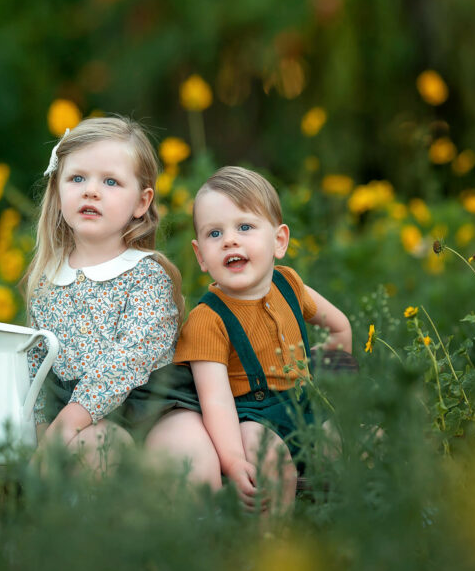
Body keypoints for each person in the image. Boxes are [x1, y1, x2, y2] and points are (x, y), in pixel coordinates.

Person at [169, 166, 352, 513]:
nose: (230, 240)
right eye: (214, 233)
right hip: (251, 418)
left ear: (279, 241)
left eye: (244, 227)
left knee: (353, 442)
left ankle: (333, 523)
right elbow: (216, 401)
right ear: (200, 256)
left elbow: (340, 326)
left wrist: (332, 364)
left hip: (305, 405)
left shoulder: (289, 284)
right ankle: (270, 539)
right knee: (270, 460)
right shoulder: (207, 320)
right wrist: (233, 460)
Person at [23, 116, 195, 472]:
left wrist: (64, 426)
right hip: (84, 419)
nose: (91, 191)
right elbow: (36, 369)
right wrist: (44, 436)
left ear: (141, 202)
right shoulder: (47, 281)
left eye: (110, 181)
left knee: (189, 454)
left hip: (154, 408)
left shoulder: (147, 275)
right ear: (58, 191)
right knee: (97, 449)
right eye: (77, 178)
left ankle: (189, 509)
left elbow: (128, 360)